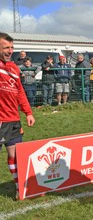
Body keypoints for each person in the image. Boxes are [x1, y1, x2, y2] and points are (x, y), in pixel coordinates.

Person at [0, 32, 35, 200]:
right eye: (6, 47)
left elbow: (20, 92)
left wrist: (28, 112)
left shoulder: (14, 68)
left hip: (13, 120)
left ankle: (18, 188)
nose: (10, 51)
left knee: (15, 156)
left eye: (11, 47)